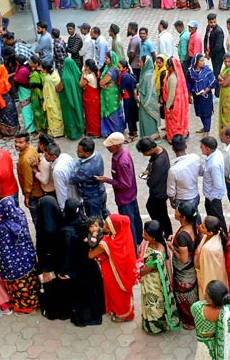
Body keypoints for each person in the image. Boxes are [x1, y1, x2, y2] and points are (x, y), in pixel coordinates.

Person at [57, 198, 105, 326]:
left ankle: (86, 317)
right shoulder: (85, 222)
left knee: (82, 294)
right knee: (92, 290)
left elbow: (67, 253)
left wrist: (64, 271)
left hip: (78, 266)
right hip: (90, 263)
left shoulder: (67, 230)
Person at [0, 196, 40, 314]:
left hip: (14, 263)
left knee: (20, 286)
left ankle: (24, 307)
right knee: (30, 282)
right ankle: (36, 301)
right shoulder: (21, 216)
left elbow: (1, 249)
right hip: (27, 256)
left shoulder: (3, 228)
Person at [87, 213, 137, 324]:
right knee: (124, 294)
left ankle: (123, 315)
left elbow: (90, 255)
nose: (103, 228)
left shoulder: (106, 243)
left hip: (111, 272)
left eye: (106, 226)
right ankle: (126, 311)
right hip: (124, 271)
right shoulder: (124, 236)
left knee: (116, 293)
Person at [97, 133, 141, 245]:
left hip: (124, 198)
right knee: (135, 219)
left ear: (117, 146)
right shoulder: (123, 152)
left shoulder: (121, 162)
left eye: (110, 146)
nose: (107, 148)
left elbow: (125, 184)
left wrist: (107, 180)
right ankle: (139, 240)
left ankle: (133, 247)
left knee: (129, 225)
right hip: (131, 195)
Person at [137, 220, 180, 333]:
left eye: (145, 234)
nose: (143, 235)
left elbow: (144, 271)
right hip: (151, 277)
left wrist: (135, 269)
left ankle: (155, 327)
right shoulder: (156, 243)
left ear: (154, 237)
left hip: (153, 282)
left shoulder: (157, 255)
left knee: (153, 304)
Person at [170, 202, 200, 329]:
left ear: (183, 217)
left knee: (184, 296)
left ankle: (190, 320)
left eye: (177, 211)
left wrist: (172, 248)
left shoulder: (183, 236)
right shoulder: (194, 226)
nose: (175, 212)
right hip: (191, 270)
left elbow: (183, 259)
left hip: (184, 272)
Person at [196, 216, 228, 300]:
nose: (199, 226)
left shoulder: (209, 249)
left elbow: (209, 271)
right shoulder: (216, 234)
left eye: (203, 227)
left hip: (209, 277)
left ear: (210, 232)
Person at [188, 54, 216, 137]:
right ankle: (204, 126)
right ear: (196, 62)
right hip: (197, 96)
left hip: (206, 96)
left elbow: (213, 81)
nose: (203, 62)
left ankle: (207, 131)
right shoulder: (190, 72)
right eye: (201, 61)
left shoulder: (208, 71)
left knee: (207, 113)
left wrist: (206, 90)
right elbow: (189, 83)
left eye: (204, 60)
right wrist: (190, 95)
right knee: (200, 112)